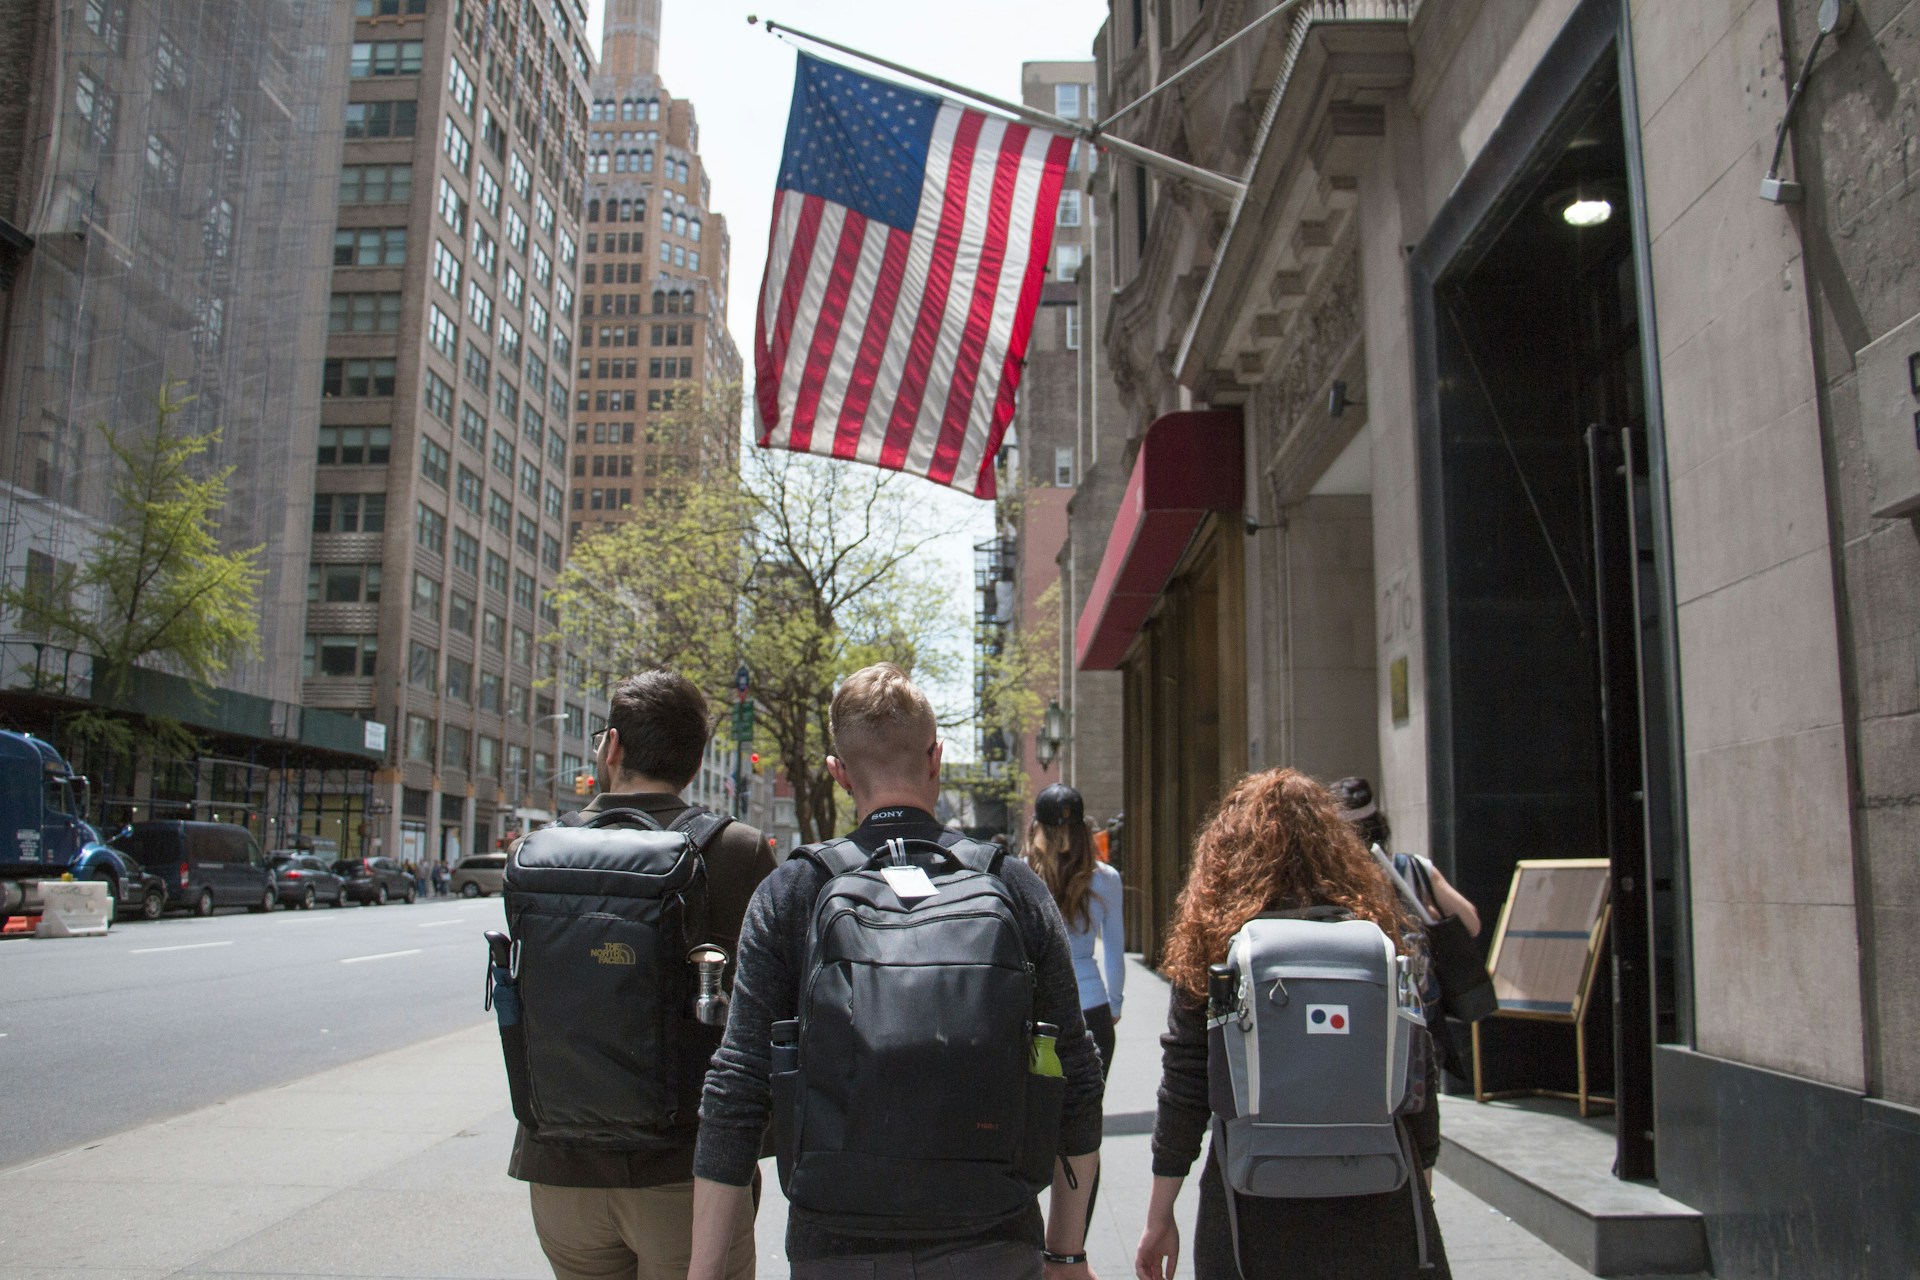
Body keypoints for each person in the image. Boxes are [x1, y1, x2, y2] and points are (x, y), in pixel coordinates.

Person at [689, 663, 1105, 1280]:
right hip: (992, 1238)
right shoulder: (1011, 884)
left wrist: (701, 1272)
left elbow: (737, 1086)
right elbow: (1076, 1069)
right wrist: (1067, 1255)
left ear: (837, 774)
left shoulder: (793, 891)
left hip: (836, 1245)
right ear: (935, 759)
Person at [509, 670, 777, 1280]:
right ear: (694, 760)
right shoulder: (738, 851)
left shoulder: (536, 852)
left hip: (560, 1170)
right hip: (689, 1174)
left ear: (611, 748)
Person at [1135, 769, 1452, 1280]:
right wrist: (1423, 1175)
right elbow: (1419, 1068)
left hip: (1253, 1195)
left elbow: (1186, 1086)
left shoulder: (1216, 945)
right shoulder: (1372, 940)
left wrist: (1159, 1215)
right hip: (1375, 1190)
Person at [1333, 776, 1481, 1183]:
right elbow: (1469, 921)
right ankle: (1423, 1195)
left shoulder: (1336, 883)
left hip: (1366, 1013)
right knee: (1420, 1105)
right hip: (1422, 1011)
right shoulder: (1413, 869)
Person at [1025, 784, 1125, 1075]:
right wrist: (1115, 1003)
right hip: (1092, 1005)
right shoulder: (1106, 879)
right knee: (1089, 1111)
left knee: (1042, 1115)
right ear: (1084, 829)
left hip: (1039, 1011)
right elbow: (1114, 950)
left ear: (1036, 828)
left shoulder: (1020, 873)